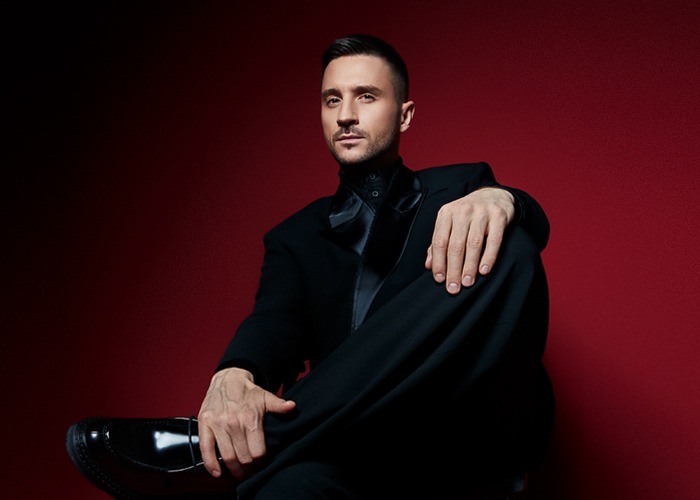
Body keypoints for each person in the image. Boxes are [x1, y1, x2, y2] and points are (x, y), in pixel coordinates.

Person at [67, 34, 554, 500]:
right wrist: (235, 371)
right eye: (332, 100)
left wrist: (504, 199)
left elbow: (525, 254)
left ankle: (263, 441)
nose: (346, 115)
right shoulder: (294, 237)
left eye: (366, 96)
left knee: (511, 247)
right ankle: (261, 453)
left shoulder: (461, 187)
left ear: (405, 115)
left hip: (455, 435)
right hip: (348, 451)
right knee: (283, 489)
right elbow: (273, 323)